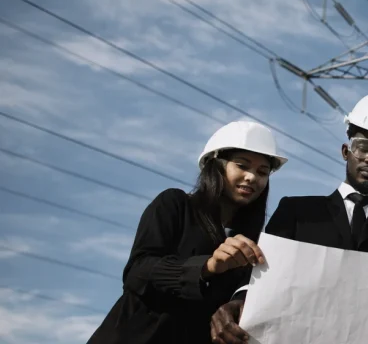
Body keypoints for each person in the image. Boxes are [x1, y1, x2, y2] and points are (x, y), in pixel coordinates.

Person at [210, 92, 368, 344]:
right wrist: (240, 301)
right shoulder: (297, 212)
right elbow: (263, 271)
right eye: (363, 147)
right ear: (346, 151)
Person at [87, 120, 288, 344]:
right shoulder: (175, 204)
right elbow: (138, 272)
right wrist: (207, 266)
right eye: (242, 166)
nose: (252, 177)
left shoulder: (254, 245)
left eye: (263, 172)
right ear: (216, 165)